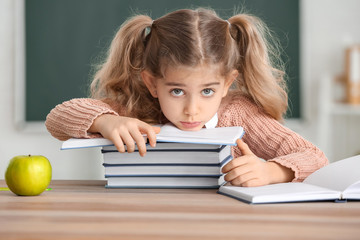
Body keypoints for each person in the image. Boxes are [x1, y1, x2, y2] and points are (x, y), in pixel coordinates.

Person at [45, 8, 328, 187]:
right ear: (152, 84)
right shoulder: (134, 110)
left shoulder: (240, 113)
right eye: (177, 91)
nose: (192, 109)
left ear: (228, 83)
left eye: (207, 91)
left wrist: (271, 172)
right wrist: (105, 122)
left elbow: (315, 157)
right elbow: (56, 120)